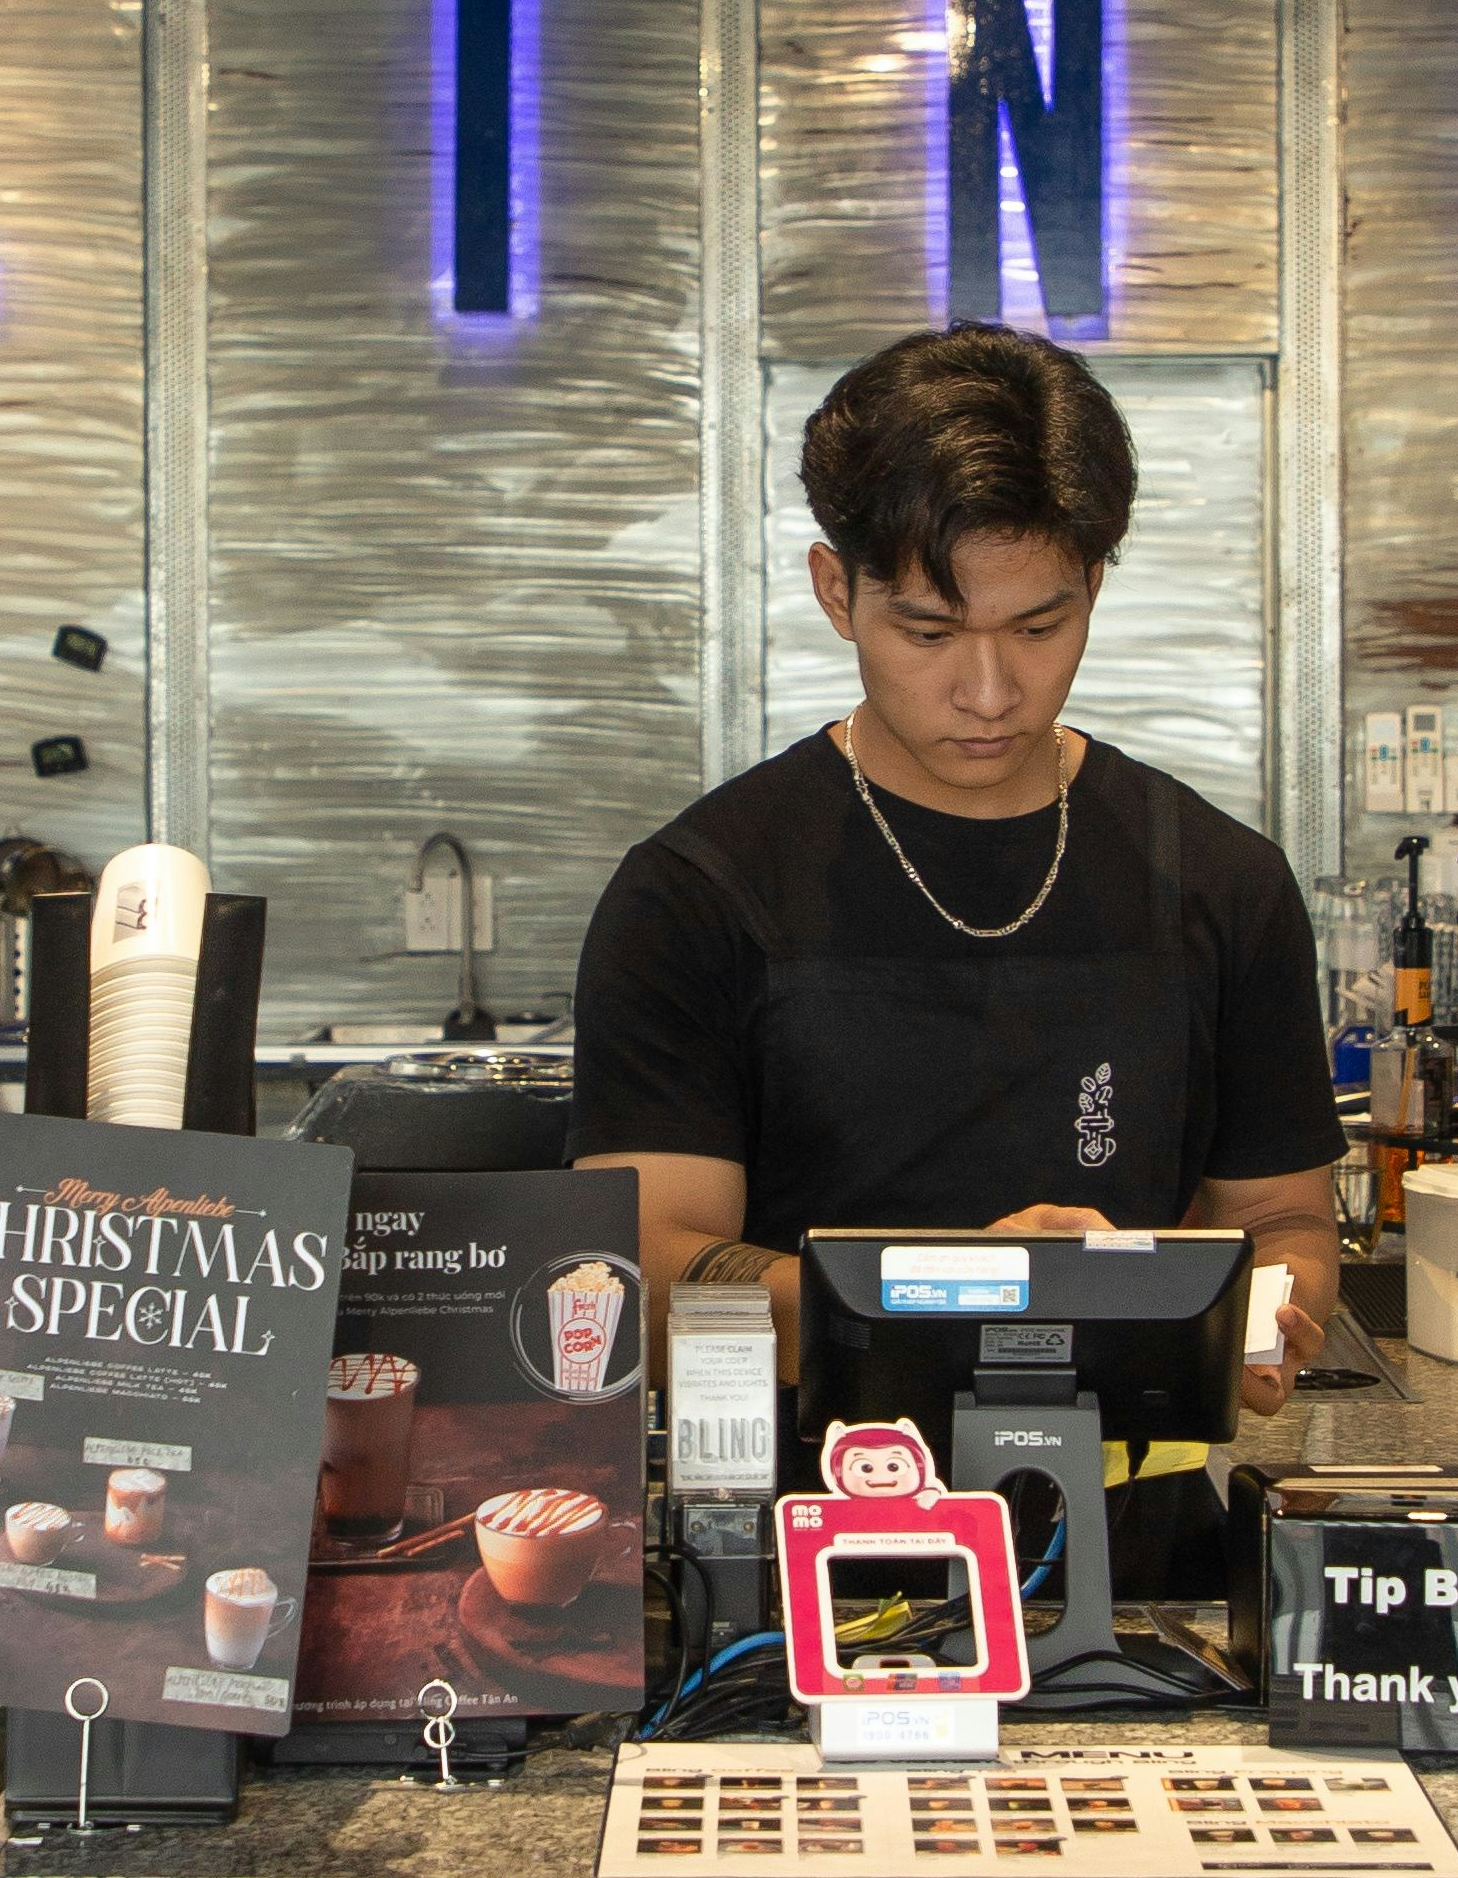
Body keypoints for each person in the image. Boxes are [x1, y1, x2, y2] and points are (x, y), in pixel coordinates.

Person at [569, 323, 1343, 1441]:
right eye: (927, 631)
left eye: (1039, 625)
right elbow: (639, 1276)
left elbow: (1281, 1217)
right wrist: (958, 1294)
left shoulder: (1219, 881)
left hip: (1137, 1547)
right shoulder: (697, 892)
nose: (988, 690)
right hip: (803, 1548)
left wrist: (1267, 1312)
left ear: (1093, 583)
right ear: (837, 594)